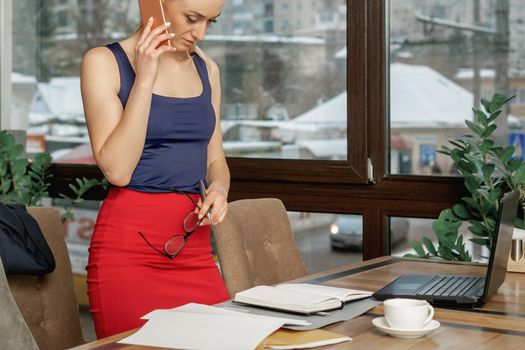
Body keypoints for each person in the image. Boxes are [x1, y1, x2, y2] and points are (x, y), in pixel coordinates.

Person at [80, 0, 229, 338]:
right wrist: (146, 77)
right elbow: (117, 170)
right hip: (128, 256)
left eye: (211, 22)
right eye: (192, 18)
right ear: (153, 5)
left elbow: (215, 159)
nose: (200, 33)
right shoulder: (104, 63)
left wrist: (219, 189)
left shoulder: (208, 70)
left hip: (194, 249)